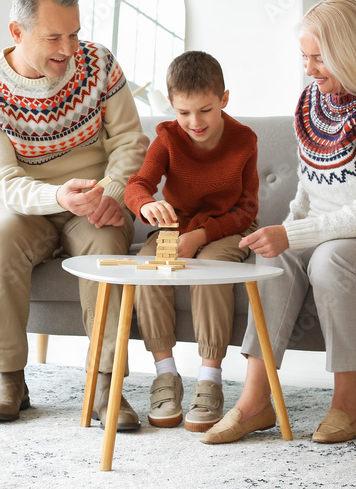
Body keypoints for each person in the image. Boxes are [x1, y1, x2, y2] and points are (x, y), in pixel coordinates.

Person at [200, 0, 356, 445]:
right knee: (275, 261)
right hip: (345, 228)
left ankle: (348, 406)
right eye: (305, 56)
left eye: (319, 57)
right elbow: (311, 187)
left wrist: (292, 233)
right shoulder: (313, 100)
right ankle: (255, 402)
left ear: (350, 52)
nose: (309, 67)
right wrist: (285, 237)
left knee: (332, 261)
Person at [0, 0, 150, 428]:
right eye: (53, 37)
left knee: (106, 248)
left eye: (74, 33)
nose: (68, 48)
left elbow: (130, 140)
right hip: (25, 204)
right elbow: (2, 179)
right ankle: (8, 378)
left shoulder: (100, 65)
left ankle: (105, 384)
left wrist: (113, 190)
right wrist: (56, 195)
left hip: (97, 199)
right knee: (1, 240)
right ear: (17, 32)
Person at [124, 51, 259, 433]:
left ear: (224, 100)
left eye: (205, 110)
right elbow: (138, 186)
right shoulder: (167, 138)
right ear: (172, 106)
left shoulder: (244, 140)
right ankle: (165, 375)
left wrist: (201, 235)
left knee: (210, 269)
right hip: (176, 228)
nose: (194, 123)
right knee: (150, 267)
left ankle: (209, 380)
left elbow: (246, 210)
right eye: (184, 113)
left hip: (227, 228)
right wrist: (148, 206)